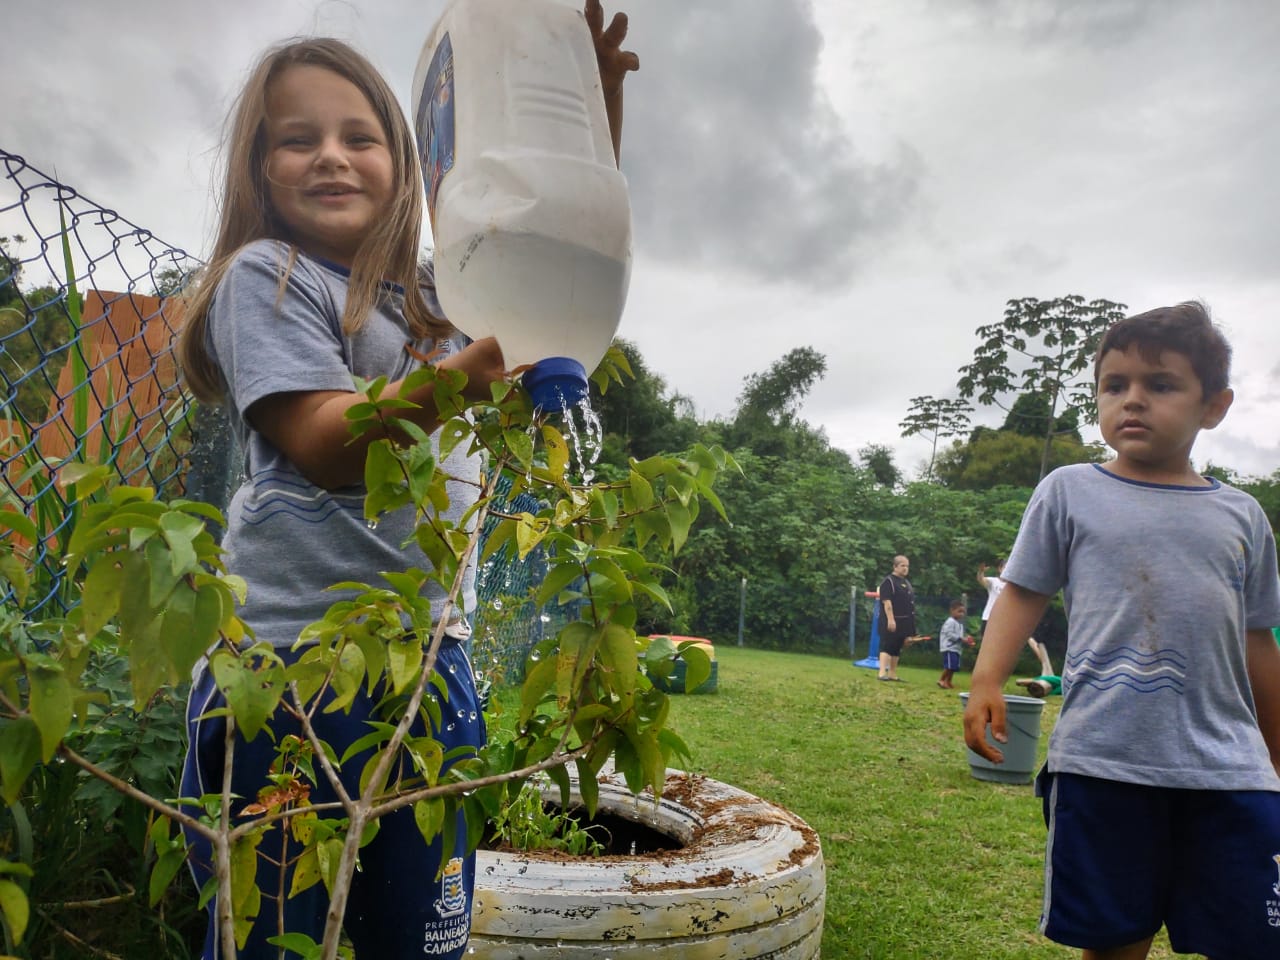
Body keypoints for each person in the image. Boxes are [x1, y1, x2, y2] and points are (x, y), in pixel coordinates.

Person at [174, 7, 638, 958]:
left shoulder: (442, 297)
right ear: (259, 167)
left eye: (360, 136)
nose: (331, 158)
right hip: (286, 674)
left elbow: (542, 251)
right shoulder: (269, 278)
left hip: (431, 665)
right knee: (272, 936)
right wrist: (453, 378)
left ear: (413, 162)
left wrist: (582, 129)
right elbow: (325, 441)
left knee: (422, 937)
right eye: (297, 140)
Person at [963, 301, 1280, 960]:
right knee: (1114, 944)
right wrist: (987, 677)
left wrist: (1276, 752)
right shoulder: (1069, 491)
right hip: (1104, 763)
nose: (1132, 401)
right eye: (1115, 386)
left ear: (1213, 406)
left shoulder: (1243, 516)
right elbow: (1025, 591)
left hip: (1230, 772)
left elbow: (1257, 642)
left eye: (1160, 385)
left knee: (1249, 939)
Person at [977, 559, 1054, 676]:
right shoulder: (994, 582)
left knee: (1013, 644)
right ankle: (986, 673)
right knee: (986, 649)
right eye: (1005, 567)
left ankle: (1046, 667)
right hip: (989, 618)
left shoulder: (1013, 587)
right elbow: (981, 580)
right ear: (1000, 569)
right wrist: (980, 572)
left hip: (1005, 620)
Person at [877, 555, 915, 681]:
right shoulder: (889, 582)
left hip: (905, 621)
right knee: (887, 645)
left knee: (897, 647)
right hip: (891, 620)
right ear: (895, 566)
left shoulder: (906, 583)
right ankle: (882, 673)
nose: (905, 568)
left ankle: (892, 674)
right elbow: (887, 602)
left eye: (907, 566)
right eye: (902, 565)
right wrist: (891, 619)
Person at [936, 598, 970, 689]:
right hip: (949, 647)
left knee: (953, 667)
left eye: (963, 612)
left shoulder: (959, 624)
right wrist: (960, 638)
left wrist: (965, 639)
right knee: (949, 666)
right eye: (959, 611)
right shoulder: (950, 622)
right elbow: (949, 634)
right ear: (952, 610)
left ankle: (948, 681)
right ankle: (942, 680)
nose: (961, 614)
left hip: (956, 649)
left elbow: (960, 636)